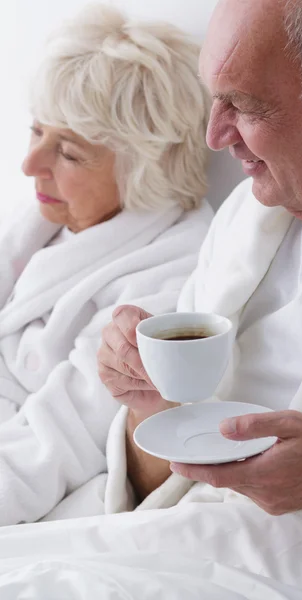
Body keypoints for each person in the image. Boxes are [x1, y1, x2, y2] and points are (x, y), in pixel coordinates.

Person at [98, 0, 302, 555]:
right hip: (190, 543)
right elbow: (158, 483)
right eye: (215, 99)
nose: (214, 136)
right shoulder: (245, 219)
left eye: (243, 105)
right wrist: (150, 405)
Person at [0, 3, 213, 525]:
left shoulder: (168, 282)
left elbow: (49, 451)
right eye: (35, 131)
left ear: (143, 171)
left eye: (68, 153)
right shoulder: (46, 222)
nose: (30, 165)